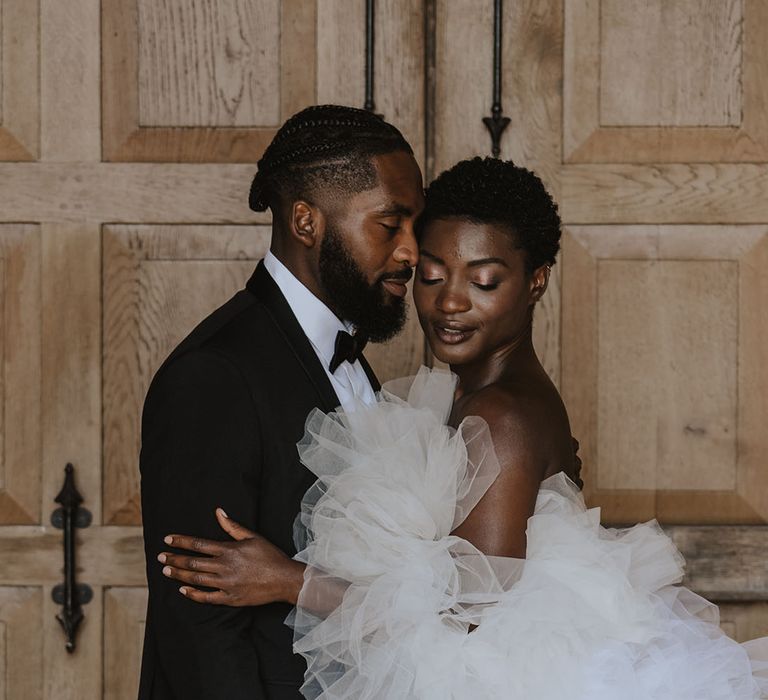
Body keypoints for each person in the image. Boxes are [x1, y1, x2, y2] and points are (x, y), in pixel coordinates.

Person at [161, 157, 768, 698]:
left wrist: (289, 580)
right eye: (431, 275)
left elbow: (467, 614)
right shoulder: (471, 395)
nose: (450, 302)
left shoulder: (501, 413)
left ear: (536, 280)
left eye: (482, 281)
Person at [138, 104, 425, 700]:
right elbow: (199, 634)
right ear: (305, 221)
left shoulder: (342, 353)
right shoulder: (213, 375)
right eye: (389, 225)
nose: (412, 252)